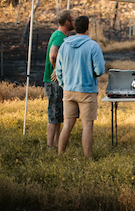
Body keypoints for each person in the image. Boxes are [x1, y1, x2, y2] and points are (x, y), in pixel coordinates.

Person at [55, 15, 105, 159]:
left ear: (75, 28)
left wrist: (63, 84)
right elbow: (100, 70)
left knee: (67, 125)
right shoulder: (93, 46)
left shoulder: (64, 45)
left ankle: (60, 154)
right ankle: (88, 158)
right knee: (87, 125)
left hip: (68, 90)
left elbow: (58, 69)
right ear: (88, 28)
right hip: (87, 91)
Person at [43, 9, 74, 149]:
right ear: (67, 22)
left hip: (54, 82)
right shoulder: (60, 37)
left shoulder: (58, 34)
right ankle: (50, 146)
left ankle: (56, 143)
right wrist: (57, 69)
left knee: (57, 114)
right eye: (73, 20)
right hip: (53, 81)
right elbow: (53, 54)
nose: (74, 22)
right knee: (54, 115)